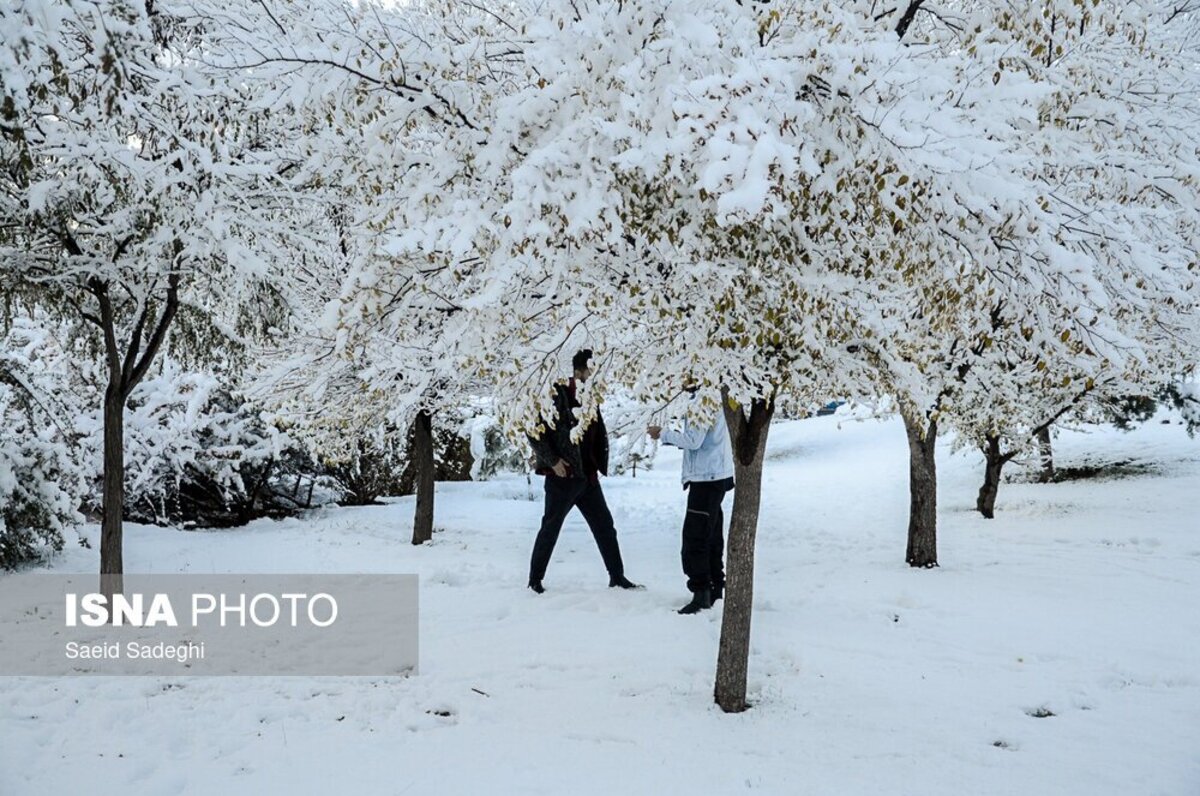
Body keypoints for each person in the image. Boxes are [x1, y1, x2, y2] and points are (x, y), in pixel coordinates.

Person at [527, 349, 640, 594]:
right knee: (551, 527)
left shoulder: (590, 397)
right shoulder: (557, 395)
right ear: (578, 371)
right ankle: (534, 580)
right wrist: (554, 461)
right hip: (563, 476)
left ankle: (617, 577)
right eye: (591, 371)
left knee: (604, 526)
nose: (594, 376)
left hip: (588, 477)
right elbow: (533, 430)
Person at [648, 388, 734, 614]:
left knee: (695, 538)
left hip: (706, 477)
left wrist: (663, 433)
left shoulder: (703, 401)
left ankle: (701, 592)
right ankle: (716, 588)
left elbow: (693, 440)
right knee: (712, 535)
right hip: (717, 475)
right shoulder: (718, 395)